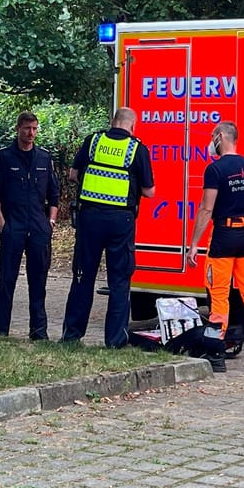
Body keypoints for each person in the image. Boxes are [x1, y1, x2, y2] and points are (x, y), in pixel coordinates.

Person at [61, 106, 154, 347]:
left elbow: (72, 174)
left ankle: (71, 336)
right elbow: (149, 191)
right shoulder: (137, 149)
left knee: (82, 277)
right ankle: (114, 341)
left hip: (89, 218)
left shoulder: (93, 141)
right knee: (120, 281)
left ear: (113, 122)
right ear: (132, 126)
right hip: (120, 222)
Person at [189, 121, 244, 373]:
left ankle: (216, 354)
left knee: (219, 294)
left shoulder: (215, 169)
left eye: (212, 136)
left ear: (220, 137)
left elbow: (207, 208)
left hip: (224, 236)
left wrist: (194, 243)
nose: (210, 141)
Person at [0, 111, 62, 340]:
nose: (31, 133)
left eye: (35, 129)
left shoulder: (44, 158)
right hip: (14, 225)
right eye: (27, 128)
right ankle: (1, 330)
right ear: (18, 129)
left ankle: (39, 332)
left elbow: (54, 194)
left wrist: (51, 221)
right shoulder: (4, 157)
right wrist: (1, 224)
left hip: (38, 226)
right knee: (7, 279)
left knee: (38, 280)